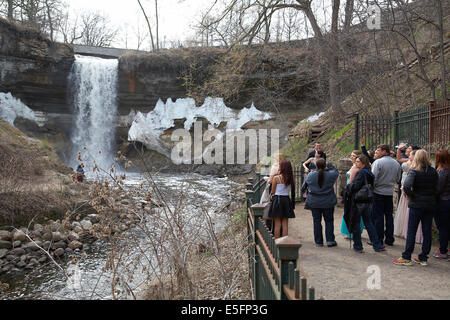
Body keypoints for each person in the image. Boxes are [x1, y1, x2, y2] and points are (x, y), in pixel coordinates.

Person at [394, 150, 438, 266]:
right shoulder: (433, 172)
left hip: (417, 204)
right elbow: (437, 188)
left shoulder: (414, 171)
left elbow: (407, 186)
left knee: (411, 230)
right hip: (430, 204)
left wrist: (412, 195)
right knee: (426, 230)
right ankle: (423, 257)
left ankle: (407, 257)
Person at [344, 155, 385, 253]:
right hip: (368, 200)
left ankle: (358, 246)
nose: (356, 163)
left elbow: (355, 186)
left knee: (356, 224)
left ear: (363, 163)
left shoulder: (361, 173)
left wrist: (346, 188)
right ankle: (377, 245)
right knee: (369, 223)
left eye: (358, 161)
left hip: (359, 201)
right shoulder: (370, 173)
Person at [303, 158, 339, 247]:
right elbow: (336, 171)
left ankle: (319, 242)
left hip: (314, 201)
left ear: (316, 165)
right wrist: (329, 164)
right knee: (329, 221)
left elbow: (303, 187)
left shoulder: (310, 175)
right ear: (325, 165)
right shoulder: (331, 175)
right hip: (328, 201)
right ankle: (330, 240)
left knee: (316, 221)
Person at [372, 144, 402, 247]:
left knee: (378, 217)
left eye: (378, 150)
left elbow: (373, 178)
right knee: (389, 216)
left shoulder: (378, 162)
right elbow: (398, 179)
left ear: (384, 151)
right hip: (389, 193)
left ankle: (378, 240)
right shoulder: (396, 164)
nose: (377, 151)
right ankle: (389, 239)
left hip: (378, 192)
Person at [394, 150, 423, 243]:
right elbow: (399, 158)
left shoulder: (414, 167)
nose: (408, 156)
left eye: (410, 154)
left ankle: (407, 231)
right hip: (404, 186)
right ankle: (402, 228)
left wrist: (408, 191)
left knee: (407, 210)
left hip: (408, 189)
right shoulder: (408, 162)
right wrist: (399, 150)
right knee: (402, 209)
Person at [340, 150, 364, 239]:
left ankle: (351, 232)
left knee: (350, 211)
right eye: (351, 155)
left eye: (353, 155)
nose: (351, 157)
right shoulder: (355, 166)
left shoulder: (355, 168)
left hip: (351, 190)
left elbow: (351, 182)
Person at [269, 160, 296, 239]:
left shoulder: (276, 178)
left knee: (277, 224)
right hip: (286, 200)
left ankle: (277, 243)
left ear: (282, 167)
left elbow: (273, 191)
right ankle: (285, 242)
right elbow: (292, 191)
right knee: (285, 223)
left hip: (278, 200)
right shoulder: (291, 178)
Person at [433, 149, 450, 260]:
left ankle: (443, 251)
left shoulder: (443, 172)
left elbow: (438, 189)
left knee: (442, 227)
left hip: (443, 202)